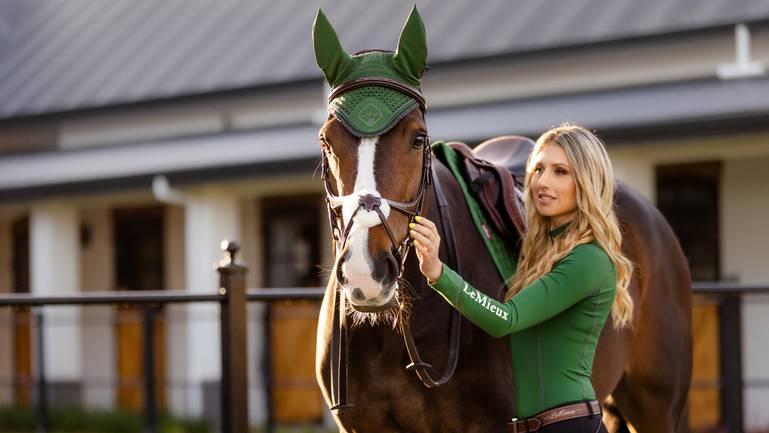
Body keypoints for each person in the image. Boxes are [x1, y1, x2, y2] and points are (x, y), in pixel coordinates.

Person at [409, 124, 634, 433]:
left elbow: (506, 318)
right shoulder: (544, 254)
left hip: (569, 426)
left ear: (586, 181)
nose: (542, 181)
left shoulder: (588, 259)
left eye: (560, 172)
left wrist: (438, 272)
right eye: (538, 168)